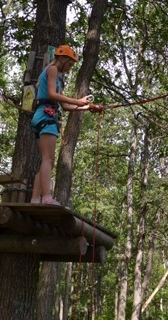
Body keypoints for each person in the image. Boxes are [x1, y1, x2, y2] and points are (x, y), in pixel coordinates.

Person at [30, 45, 104, 205]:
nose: (70, 68)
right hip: (46, 116)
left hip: (43, 116)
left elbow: (64, 106)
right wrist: (78, 100)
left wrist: (86, 107)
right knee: (48, 160)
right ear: (62, 59)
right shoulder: (52, 70)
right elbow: (51, 95)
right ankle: (47, 198)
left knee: (45, 160)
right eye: (69, 64)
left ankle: (36, 199)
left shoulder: (57, 78)